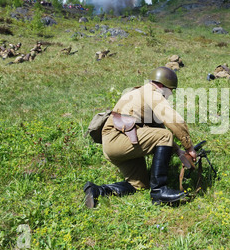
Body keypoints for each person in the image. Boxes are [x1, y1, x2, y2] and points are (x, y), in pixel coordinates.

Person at [84, 66, 197, 207]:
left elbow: (154, 130)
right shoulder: (153, 94)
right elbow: (173, 120)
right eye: (171, 91)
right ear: (162, 86)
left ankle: (97, 191)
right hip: (119, 139)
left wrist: (178, 151)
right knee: (165, 135)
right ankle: (159, 191)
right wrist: (189, 147)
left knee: (139, 184)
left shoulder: (138, 93)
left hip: (115, 145)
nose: (170, 95)